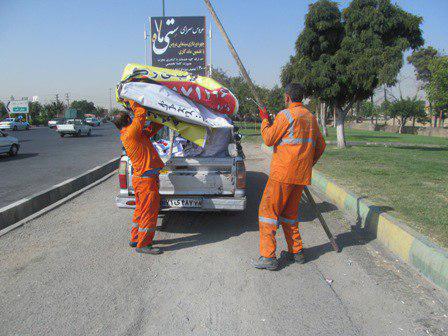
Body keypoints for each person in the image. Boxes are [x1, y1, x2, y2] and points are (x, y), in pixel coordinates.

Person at [255, 83, 326, 270]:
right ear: (300, 97)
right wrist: (307, 164)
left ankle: (268, 257)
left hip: (283, 174)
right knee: (289, 215)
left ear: (287, 97)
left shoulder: (285, 115)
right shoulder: (310, 117)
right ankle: (297, 252)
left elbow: (269, 138)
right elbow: (321, 146)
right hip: (301, 176)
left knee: (268, 213)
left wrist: (264, 120)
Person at [112, 100, 164, 255]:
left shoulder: (131, 135)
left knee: (141, 211)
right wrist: (131, 100)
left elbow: (149, 131)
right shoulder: (131, 133)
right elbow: (140, 113)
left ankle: (135, 238)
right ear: (128, 120)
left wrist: (161, 121)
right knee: (149, 212)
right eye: (130, 116)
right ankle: (143, 244)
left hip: (141, 179)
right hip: (145, 181)